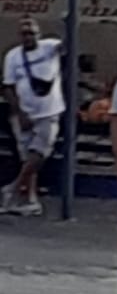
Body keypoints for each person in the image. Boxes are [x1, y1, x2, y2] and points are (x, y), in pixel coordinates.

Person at [1, 16, 65, 217]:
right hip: (25, 112)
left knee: (40, 152)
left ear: (39, 33)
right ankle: (29, 199)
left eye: (32, 33)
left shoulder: (50, 47)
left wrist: (69, 24)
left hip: (49, 111)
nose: (28, 37)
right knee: (27, 158)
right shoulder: (13, 56)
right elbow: (8, 86)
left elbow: (68, 45)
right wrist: (19, 113)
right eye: (24, 34)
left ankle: (11, 189)